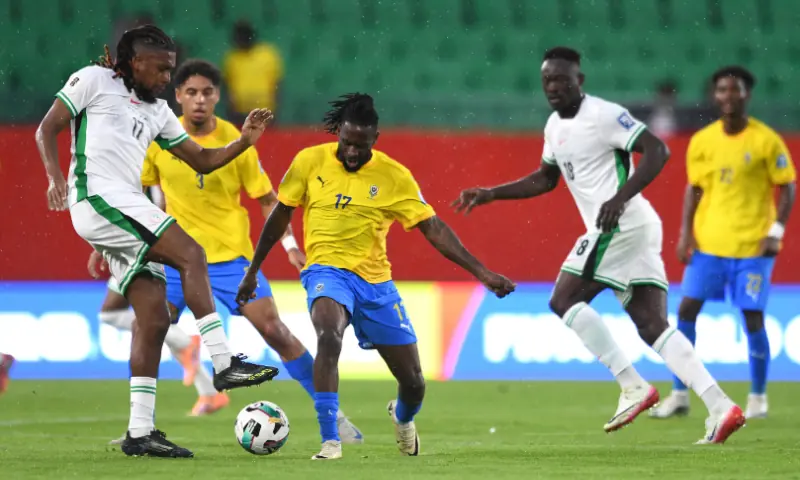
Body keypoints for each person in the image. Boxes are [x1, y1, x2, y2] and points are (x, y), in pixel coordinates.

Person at [452, 47, 745, 445]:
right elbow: (545, 178)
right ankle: (720, 405)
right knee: (652, 325)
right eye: (547, 81)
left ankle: (633, 386)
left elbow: (658, 150)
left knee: (563, 300)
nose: (553, 87)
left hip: (620, 224)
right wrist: (492, 193)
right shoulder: (554, 127)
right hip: (632, 226)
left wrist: (619, 197)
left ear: (580, 80)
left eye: (561, 79)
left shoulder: (605, 115)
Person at [35, 25, 279, 458]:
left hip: (123, 208)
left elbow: (202, 160)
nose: (168, 78)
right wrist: (56, 179)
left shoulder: (159, 111)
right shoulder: (93, 80)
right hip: (97, 197)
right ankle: (223, 363)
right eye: (162, 69)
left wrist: (243, 141)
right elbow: (47, 128)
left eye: (171, 70)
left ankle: (140, 432)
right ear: (134, 62)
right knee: (192, 254)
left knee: (153, 320)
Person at [96, 58, 363, 443]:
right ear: (178, 97)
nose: (199, 100)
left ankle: (333, 417)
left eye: (207, 92)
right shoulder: (158, 141)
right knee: (146, 330)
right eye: (191, 92)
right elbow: (143, 197)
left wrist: (289, 245)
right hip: (174, 259)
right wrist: (113, 237)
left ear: (217, 96)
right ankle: (140, 428)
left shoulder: (237, 140)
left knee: (276, 331)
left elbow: (268, 198)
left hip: (230, 261)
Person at [237, 93, 516, 460]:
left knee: (414, 383)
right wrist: (253, 270)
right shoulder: (309, 161)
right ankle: (330, 441)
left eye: (361, 146)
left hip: (375, 284)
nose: (352, 152)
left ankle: (402, 420)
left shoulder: (394, 176)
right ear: (338, 133)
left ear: (376, 139)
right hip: (326, 271)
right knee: (327, 333)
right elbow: (279, 217)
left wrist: (481, 272)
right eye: (347, 143)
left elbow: (433, 229)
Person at [650, 66, 796, 420]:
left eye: (735, 90)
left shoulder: (765, 140)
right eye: (721, 90)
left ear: (747, 95)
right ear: (714, 96)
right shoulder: (703, 141)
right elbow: (694, 189)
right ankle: (680, 393)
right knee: (685, 311)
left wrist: (776, 231)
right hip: (709, 245)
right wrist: (686, 233)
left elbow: (787, 185)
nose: (728, 96)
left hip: (752, 247)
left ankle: (758, 397)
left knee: (753, 317)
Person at [223, 20, 284, 122]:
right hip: (239, 112)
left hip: (264, 110)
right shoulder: (231, 57)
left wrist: (276, 107)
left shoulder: (267, 54)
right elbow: (227, 86)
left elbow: (277, 83)